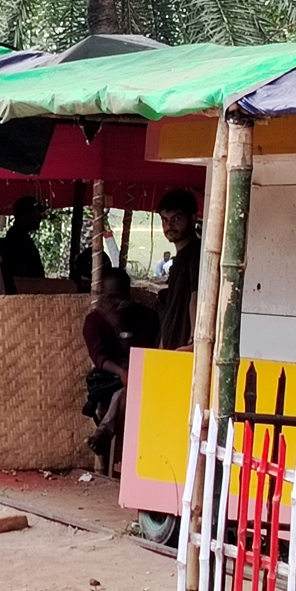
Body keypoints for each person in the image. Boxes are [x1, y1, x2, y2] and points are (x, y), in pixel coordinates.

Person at [83, 267, 160, 454]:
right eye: (110, 297)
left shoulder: (146, 317)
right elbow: (99, 357)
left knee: (129, 388)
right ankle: (105, 433)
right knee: (123, 391)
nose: (115, 302)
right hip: (111, 377)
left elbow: (146, 351)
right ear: (101, 296)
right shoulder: (93, 321)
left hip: (142, 374)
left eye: (120, 297)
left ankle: (104, 432)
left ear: (128, 295)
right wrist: (121, 372)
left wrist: (121, 323)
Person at [156, 188, 200, 350]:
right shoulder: (180, 258)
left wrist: (195, 341)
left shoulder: (196, 253)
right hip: (172, 344)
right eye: (165, 220)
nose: (169, 225)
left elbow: (197, 296)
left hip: (185, 345)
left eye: (177, 218)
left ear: (193, 218)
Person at [0, 196, 46, 280]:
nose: (40, 217)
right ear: (26, 214)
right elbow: (19, 278)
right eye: (37, 211)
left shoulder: (22, 237)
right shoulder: (16, 240)